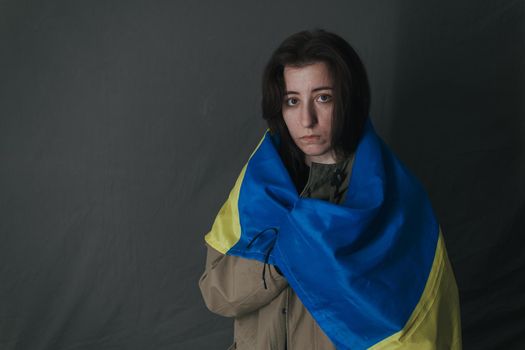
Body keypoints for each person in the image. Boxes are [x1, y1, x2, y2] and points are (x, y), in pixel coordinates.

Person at [199, 29, 462, 350]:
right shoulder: (260, 185)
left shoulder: (398, 201)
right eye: (292, 101)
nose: (306, 119)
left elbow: (412, 332)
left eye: (323, 97)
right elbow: (217, 294)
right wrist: (287, 254)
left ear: (349, 100)